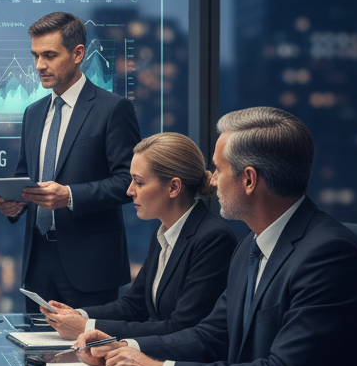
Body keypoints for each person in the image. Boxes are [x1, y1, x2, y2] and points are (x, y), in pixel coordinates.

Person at [77, 107, 357, 366]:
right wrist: (121, 347)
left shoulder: (330, 256)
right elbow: (211, 335)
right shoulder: (251, 244)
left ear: (248, 180)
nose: (211, 180)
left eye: (218, 169)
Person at [0, 12, 140, 311]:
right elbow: (26, 176)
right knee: (34, 341)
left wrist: (70, 196)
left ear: (78, 54)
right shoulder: (33, 113)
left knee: (88, 342)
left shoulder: (113, 109)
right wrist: (15, 204)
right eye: (35, 55)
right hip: (37, 265)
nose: (39, 65)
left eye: (49, 55)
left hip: (91, 265)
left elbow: (129, 180)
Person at [40, 132, 236, 339]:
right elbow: (134, 305)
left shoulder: (213, 239)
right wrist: (77, 315)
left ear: (173, 187)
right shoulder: (163, 233)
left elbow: (181, 329)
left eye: (139, 182)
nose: (129, 191)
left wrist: (86, 327)